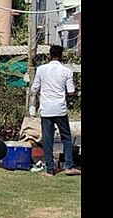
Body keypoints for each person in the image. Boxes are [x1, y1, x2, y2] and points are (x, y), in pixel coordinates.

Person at [30, 45, 80, 176]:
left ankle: (50, 169)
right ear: (61, 55)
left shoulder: (41, 69)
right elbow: (70, 91)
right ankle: (69, 166)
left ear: (49, 55)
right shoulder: (66, 71)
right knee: (66, 138)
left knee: (47, 139)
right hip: (60, 109)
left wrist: (33, 103)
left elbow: (34, 88)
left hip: (46, 109)